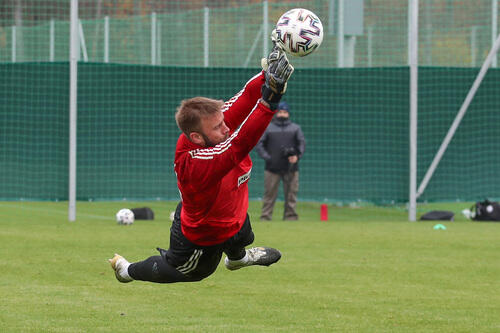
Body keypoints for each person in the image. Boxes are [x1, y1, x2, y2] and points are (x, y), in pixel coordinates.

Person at [109, 44, 294, 284]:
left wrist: (266, 75)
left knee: (241, 234)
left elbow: (246, 98)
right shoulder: (195, 163)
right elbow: (238, 145)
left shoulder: (211, 126)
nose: (227, 128)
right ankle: (127, 271)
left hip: (232, 213)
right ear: (196, 137)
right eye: (218, 127)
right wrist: (269, 102)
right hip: (203, 235)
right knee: (187, 271)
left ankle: (238, 258)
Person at [255, 102, 305, 221]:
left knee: (291, 194)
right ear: (277, 113)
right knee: (269, 195)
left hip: (291, 167)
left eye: (285, 112)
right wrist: (268, 157)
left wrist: (297, 156)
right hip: (272, 168)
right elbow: (259, 144)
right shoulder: (268, 128)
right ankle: (265, 217)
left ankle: (290, 217)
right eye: (280, 112)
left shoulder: (295, 128)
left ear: (288, 113)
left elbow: (301, 144)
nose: (282, 114)